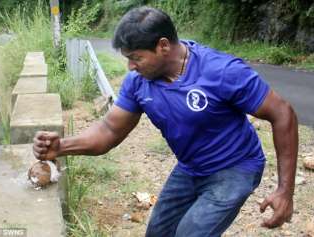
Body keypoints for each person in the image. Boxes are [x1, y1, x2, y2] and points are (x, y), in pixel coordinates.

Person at [33, 6, 298, 237]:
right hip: (191, 168)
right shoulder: (138, 83)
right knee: (159, 232)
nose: (131, 67)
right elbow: (109, 130)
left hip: (235, 168)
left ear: (163, 46)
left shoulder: (221, 71)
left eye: (136, 57)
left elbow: (283, 114)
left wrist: (285, 191)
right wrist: (62, 147)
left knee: (190, 233)